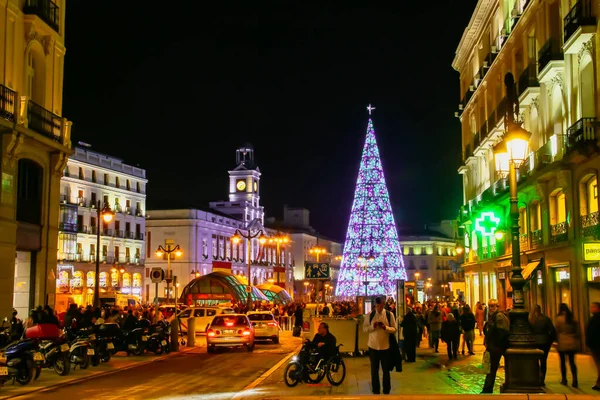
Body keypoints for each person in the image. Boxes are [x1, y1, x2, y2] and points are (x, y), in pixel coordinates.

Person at [363, 297, 396, 395]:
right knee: (374, 370)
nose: (379, 308)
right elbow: (364, 329)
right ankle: (376, 390)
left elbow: (394, 329)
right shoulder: (370, 315)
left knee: (386, 370)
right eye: (377, 306)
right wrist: (373, 326)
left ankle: (386, 389)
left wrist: (385, 327)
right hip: (373, 346)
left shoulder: (389, 315)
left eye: (381, 306)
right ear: (375, 305)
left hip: (385, 347)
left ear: (384, 305)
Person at [481, 299, 509, 394]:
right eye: (490, 306)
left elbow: (502, 332)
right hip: (492, 346)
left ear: (497, 306)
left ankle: (487, 389)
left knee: (491, 369)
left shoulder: (499, 316)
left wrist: (496, 344)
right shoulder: (492, 317)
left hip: (495, 347)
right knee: (490, 368)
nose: (491, 308)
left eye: (493, 306)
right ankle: (487, 388)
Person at [528, 305, 555, 386]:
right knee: (543, 361)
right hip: (544, 342)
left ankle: (535, 377)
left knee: (534, 361)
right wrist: (549, 341)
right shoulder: (546, 319)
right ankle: (542, 379)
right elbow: (553, 331)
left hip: (533, 342)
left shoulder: (530, 320)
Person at [555, 303, 578, 387]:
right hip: (572, 342)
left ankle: (564, 379)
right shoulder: (572, 318)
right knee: (572, 362)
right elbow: (576, 331)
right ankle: (575, 380)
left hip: (562, 342)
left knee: (563, 362)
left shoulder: (559, 319)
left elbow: (557, 330)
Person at [586, 302, 600, 391]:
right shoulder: (594, 318)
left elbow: (593, 332)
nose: (591, 308)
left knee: (599, 365)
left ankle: (599, 384)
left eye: (593, 307)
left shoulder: (597, 318)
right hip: (594, 345)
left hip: (596, 345)